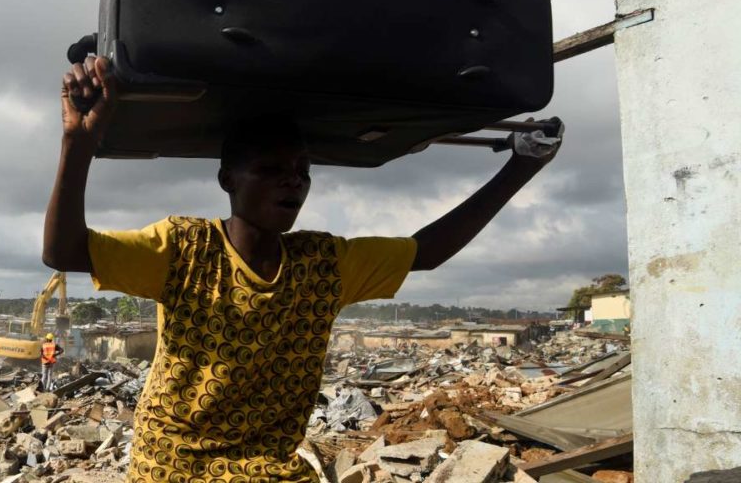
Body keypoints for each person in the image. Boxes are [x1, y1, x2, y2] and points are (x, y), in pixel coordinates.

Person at [42, 57, 561, 481]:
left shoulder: (323, 264)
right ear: (228, 180)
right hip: (177, 463)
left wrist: (521, 164)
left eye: (301, 173)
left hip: (271, 467)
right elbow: (64, 253)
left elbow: (425, 251)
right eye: (270, 171)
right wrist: (79, 141)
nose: (292, 183)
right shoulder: (183, 248)